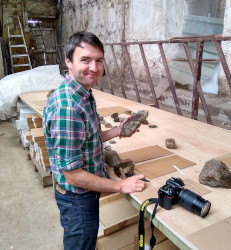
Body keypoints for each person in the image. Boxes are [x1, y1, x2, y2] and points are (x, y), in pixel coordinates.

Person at [42, 31, 146, 250]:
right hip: (77, 199)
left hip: (82, 194)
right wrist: (119, 185)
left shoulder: (83, 94)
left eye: (99, 60)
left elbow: (88, 139)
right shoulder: (67, 107)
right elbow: (73, 175)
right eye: (85, 60)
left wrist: (118, 131)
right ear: (68, 61)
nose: (94, 67)